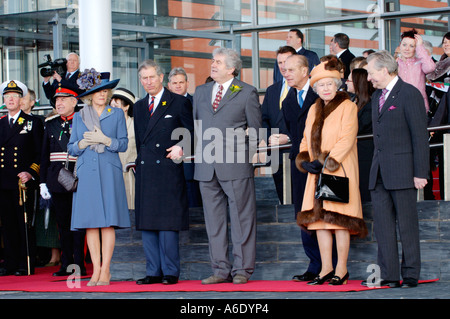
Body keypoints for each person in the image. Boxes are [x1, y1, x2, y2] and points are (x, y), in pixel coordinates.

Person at [296, 57, 367, 286]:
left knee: (339, 221)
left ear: (337, 85)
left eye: (329, 84)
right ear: (315, 88)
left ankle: (341, 269)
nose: (325, 88)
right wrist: (305, 159)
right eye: (321, 85)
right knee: (319, 223)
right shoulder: (313, 108)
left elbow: (347, 138)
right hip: (316, 174)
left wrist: (327, 161)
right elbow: (305, 138)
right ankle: (326, 269)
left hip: (338, 170)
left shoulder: (348, 106)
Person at [193, 47, 262, 284]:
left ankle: (242, 269)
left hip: (236, 164)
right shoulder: (201, 91)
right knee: (214, 221)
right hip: (206, 166)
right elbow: (196, 128)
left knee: (242, 219)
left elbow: (255, 130)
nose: (213, 65)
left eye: (219, 62)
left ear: (232, 68)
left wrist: (251, 159)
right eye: (213, 60)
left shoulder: (246, 92)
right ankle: (220, 270)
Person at [364, 50, 429, 288]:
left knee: (407, 225)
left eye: (371, 73)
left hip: (403, 171)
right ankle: (389, 274)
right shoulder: (375, 98)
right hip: (379, 173)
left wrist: (421, 172)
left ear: (384, 69)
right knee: (383, 227)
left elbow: (420, 136)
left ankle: (410, 273)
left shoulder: (409, 93)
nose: (369, 78)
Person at [68, 69, 130, 286]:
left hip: (109, 170)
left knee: (107, 223)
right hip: (87, 172)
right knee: (91, 224)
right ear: (89, 95)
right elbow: (71, 148)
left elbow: (123, 144)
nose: (103, 95)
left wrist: (105, 139)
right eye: (98, 91)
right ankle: (95, 270)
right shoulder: (79, 116)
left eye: (106, 91)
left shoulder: (116, 114)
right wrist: (82, 144)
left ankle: (106, 270)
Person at [134, 60, 194, 285]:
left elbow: (191, 131)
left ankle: (170, 271)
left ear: (161, 78)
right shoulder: (139, 106)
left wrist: (181, 146)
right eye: (144, 78)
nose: (148, 82)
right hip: (146, 170)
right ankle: (153, 271)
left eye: (152, 77)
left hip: (168, 169)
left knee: (168, 223)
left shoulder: (178, 102)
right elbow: (141, 140)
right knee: (147, 223)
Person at [280, 54, 327, 282]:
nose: (285, 73)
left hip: (323, 164)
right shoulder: (288, 99)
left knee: (326, 213)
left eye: (289, 70)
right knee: (303, 214)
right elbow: (292, 131)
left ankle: (331, 265)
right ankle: (314, 264)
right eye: (284, 70)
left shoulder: (321, 92)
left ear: (304, 70)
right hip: (300, 166)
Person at [40, 84, 86, 277]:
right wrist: (43, 182)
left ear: (74, 102)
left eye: (63, 100)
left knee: (79, 225)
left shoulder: (83, 122)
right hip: (57, 180)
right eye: (57, 100)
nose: (59, 103)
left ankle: (79, 264)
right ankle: (66, 264)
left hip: (79, 177)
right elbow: (44, 155)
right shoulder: (50, 123)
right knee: (63, 225)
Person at [0, 80, 44, 276]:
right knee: (7, 224)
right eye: (7, 96)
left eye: (14, 96)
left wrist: (31, 172)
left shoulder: (32, 122)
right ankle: (9, 263)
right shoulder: (1, 123)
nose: (10, 99)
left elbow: (40, 153)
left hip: (22, 183)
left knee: (23, 224)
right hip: (3, 181)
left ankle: (24, 264)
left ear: (21, 100)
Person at [262, 45, 296, 204]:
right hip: (276, 154)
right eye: (279, 62)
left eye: (286, 61)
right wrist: (270, 137)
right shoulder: (272, 90)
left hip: (297, 154)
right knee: (283, 200)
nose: (283, 66)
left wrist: (288, 138)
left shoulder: (305, 89)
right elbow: (263, 118)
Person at [167, 67, 201, 208]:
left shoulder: (197, 104)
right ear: (169, 85)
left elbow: (199, 132)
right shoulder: (163, 104)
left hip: (192, 164)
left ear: (187, 83)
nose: (178, 85)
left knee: (194, 208)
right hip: (169, 166)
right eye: (175, 83)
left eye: (181, 82)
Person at [345, 68, 375, 202]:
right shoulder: (352, 101)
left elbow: (358, 127)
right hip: (353, 154)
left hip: (365, 156)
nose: (346, 83)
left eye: (349, 80)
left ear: (358, 83)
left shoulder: (370, 105)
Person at [110, 88, 137, 211]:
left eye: (117, 102)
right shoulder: (107, 125)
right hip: (112, 174)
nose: (113, 105)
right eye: (112, 102)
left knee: (131, 209)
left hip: (132, 175)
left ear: (126, 107)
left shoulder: (136, 125)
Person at [396, 29, 435, 113]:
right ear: (400, 45)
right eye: (404, 45)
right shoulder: (395, 63)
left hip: (418, 107)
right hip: (398, 107)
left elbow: (430, 67)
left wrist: (420, 47)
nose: (407, 49)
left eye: (411, 46)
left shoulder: (419, 63)